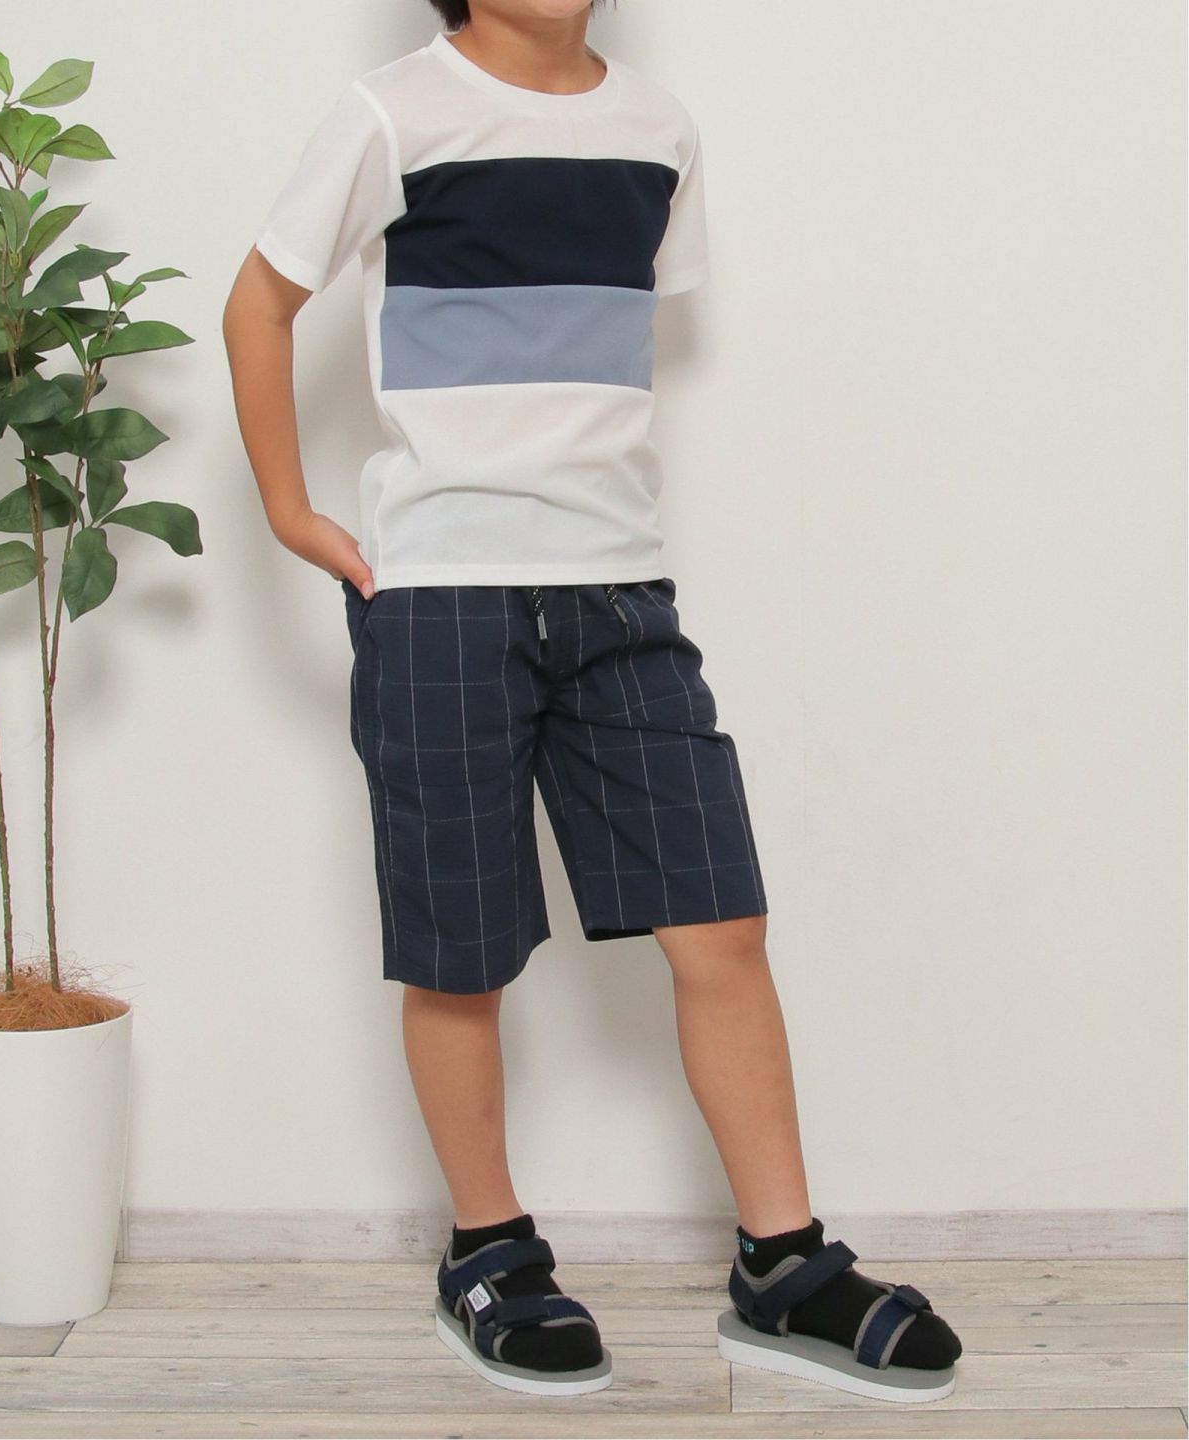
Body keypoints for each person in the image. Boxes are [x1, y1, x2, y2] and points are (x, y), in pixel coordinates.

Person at [222, 0, 962, 1403]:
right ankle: (489, 1251)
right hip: (441, 594)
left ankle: (784, 1264)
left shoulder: (657, 129)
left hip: (620, 591)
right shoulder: (392, 113)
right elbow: (258, 302)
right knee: (460, 950)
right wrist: (289, 510)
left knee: (721, 920)